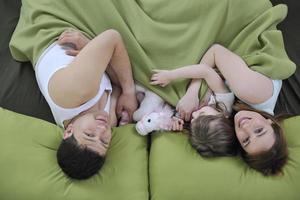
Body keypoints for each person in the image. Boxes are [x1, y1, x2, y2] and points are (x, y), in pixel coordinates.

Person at [150, 44, 288, 176]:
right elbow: (215, 51)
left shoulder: (226, 122)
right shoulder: (252, 92)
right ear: (271, 122)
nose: (246, 128)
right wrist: (192, 93)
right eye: (259, 131)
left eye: (246, 140)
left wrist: (176, 123)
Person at [35, 28, 138, 179]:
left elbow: (113, 37)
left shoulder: (72, 93)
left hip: (56, 32)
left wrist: (129, 91)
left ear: (69, 131)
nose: (102, 130)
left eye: (89, 135)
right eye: (104, 141)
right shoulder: (109, 120)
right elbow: (117, 80)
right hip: (92, 43)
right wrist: (90, 47)